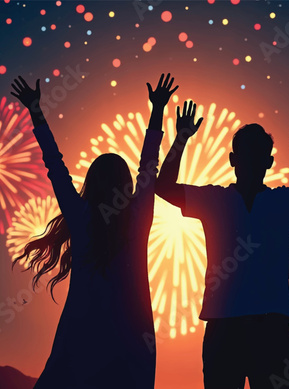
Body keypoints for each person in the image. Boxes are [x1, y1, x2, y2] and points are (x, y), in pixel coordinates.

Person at [155, 101, 289, 389]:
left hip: (262, 327)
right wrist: (180, 139)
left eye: (257, 156)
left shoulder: (280, 200)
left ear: (268, 162)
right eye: (248, 155)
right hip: (231, 327)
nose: (252, 162)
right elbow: (164, 188)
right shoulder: (219, 200)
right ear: (234, 160)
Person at [10, 73, 178, 388]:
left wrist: (35, 110)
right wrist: (157, 109)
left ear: (92, 182)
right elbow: (149, 165)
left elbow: (55, 165)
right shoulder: (137, 217)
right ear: (126, 185)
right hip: (132, 340)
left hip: (84, 336)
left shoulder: (83, 216)